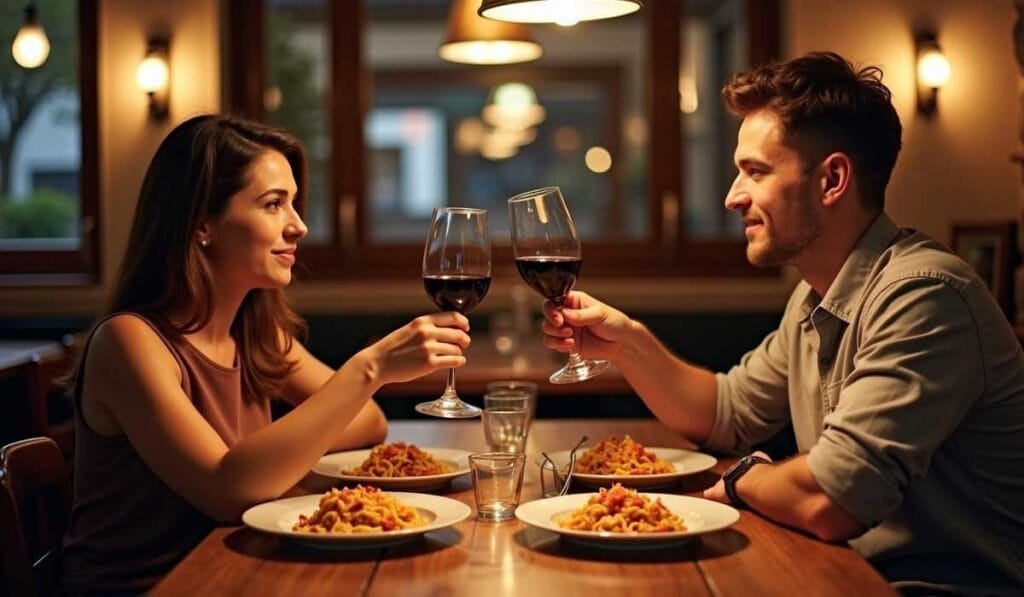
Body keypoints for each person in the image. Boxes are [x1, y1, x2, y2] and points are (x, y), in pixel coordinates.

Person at [541, 52, 1024, 594]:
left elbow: (832, 500)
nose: (732, 197)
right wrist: (625, 343)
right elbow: (725, 412)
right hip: (847, 573)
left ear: (833, 179)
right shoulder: (815, 295)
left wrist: (744, 476)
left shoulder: (924, 295)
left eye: (756, 171)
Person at [60, 115, 472, 594]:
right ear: (202, 224)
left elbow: (369, 423)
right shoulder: (130, 342)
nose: (298, 226)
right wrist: (371, 366)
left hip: (243, 572)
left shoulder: (256, 334)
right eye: (274, 204)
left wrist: (275, 469)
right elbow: (228, 491)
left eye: (293, 204)